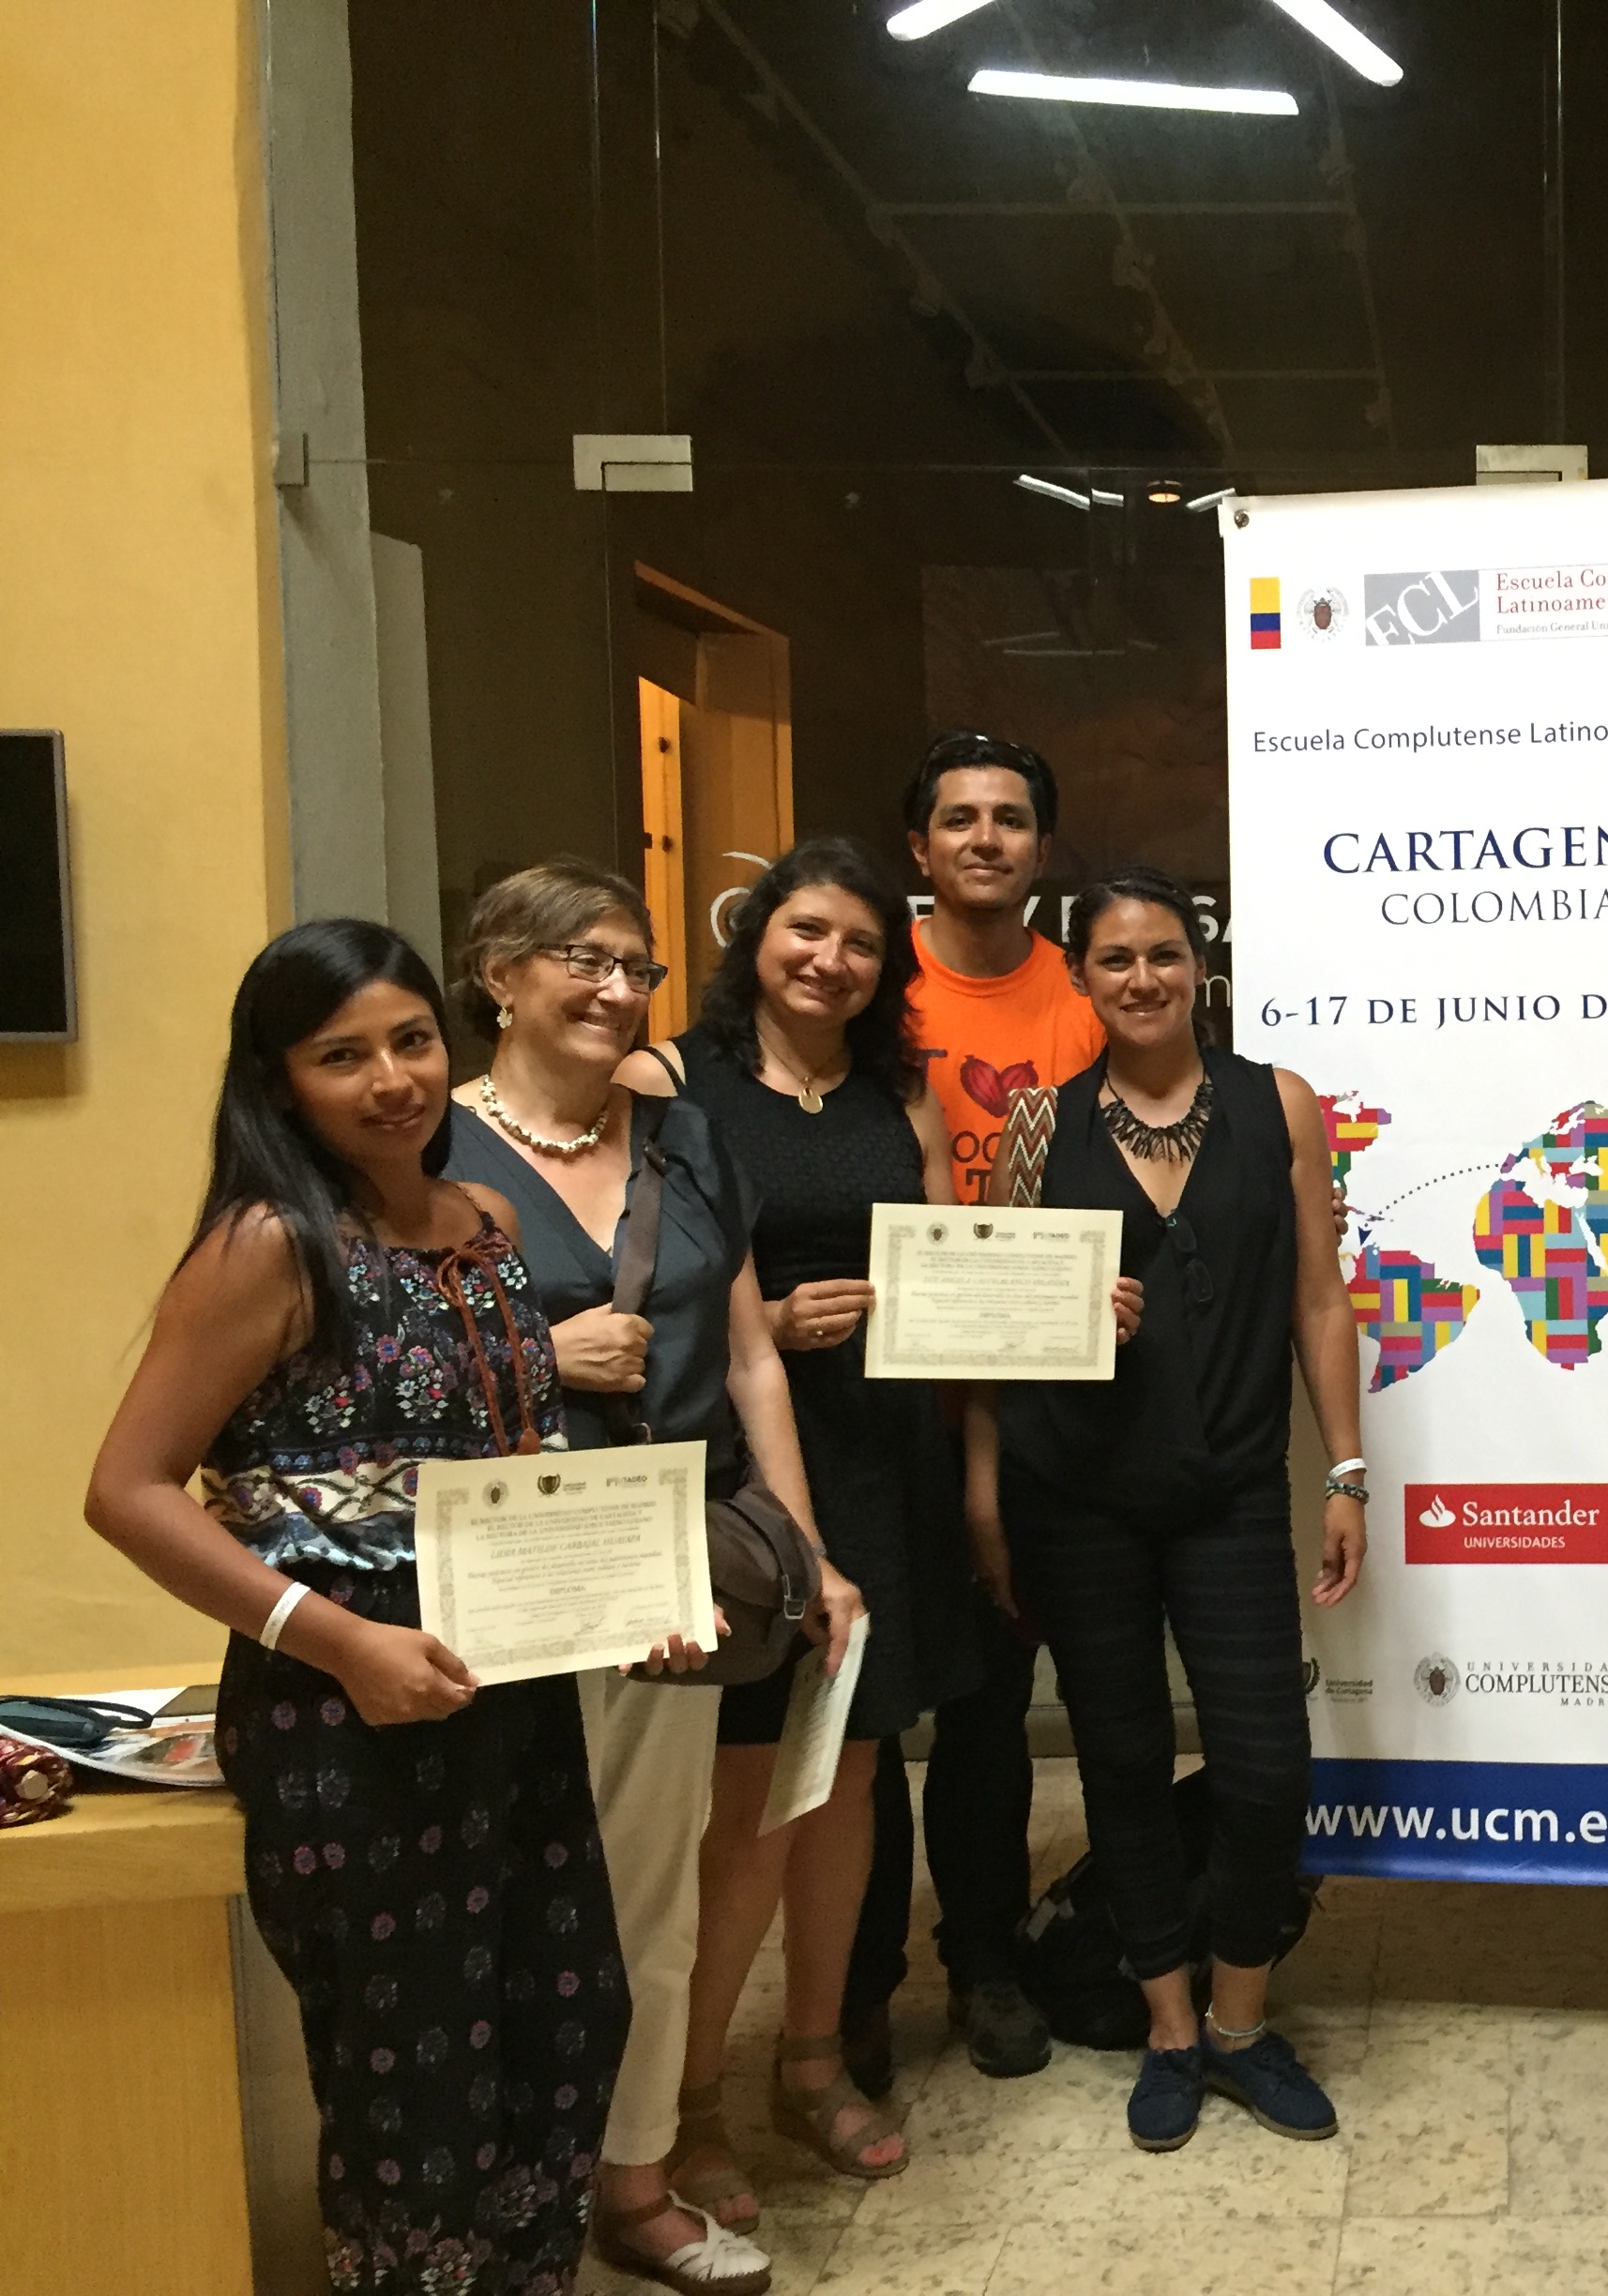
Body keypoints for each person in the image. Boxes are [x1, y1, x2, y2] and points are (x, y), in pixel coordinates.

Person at [82, 920, 627, 2295]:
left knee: (565, 2030)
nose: (392, 1079)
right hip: (345, 1721)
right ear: (278, 1087)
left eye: (410, 1041)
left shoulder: (486, 1228)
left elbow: (514, 1471)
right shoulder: (270, 1247)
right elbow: (130, 1490)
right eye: (343, 1056)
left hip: (511, 1697)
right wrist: (338, 1642)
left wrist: (624, 1601)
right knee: (413, 2096)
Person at [446, 860, 859, 2296]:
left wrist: (803, 1550)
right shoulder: (422, 1151)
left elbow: (747, 1355)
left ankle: (631, 2182)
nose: (619, 989)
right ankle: (492, 2194)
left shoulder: (682, 1140)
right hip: (492, 1574)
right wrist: (528, 1359)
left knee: (648, 1892)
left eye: (639, 966)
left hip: (662, 1562)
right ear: (500, 974)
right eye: (584, 959)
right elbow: (355, 1369)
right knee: (492, 1890)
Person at [989, 863, 1364, 2152]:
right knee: (1124, 1762)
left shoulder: (1281, 1104)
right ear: (1080, 977)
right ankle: (1165, 2024)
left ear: (1198, 966)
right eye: (1113, 960)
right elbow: (996, 1311)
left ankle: (1244, 2022)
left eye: (1161, 955)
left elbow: (1323, 1297)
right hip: (1077, 1496)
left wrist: (1347, 1470)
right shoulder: (1039, 1126)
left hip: (1229, 1489)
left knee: (1266, 1767)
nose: (1140, 979)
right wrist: (1060, 1314)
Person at [630, 838, 979, 2206]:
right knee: (745, 1811)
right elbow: (635, 1273)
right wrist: (756, 1327)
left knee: (850, 1782)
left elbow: (952, 1265)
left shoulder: (899, 1089)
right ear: (755, 935)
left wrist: (1024, 1302)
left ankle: (815, 2060)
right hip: (740, 1475)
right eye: (807, 931)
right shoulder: (670, 1080)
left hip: (886, 1456)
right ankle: (689, 2098)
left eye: (859, 944)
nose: (830, 960)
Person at [843, 729, 1108, 2092]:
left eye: (1012, 817)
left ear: (1041, 851)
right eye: (960, 817)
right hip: (884, 1408)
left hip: (1042, 1404)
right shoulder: (867, 996)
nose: (987, 838)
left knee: (996, 1708)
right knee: (873, 1713)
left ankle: (987, 1958)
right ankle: (860, 1984)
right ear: (919, 847)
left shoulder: (1090, 997)